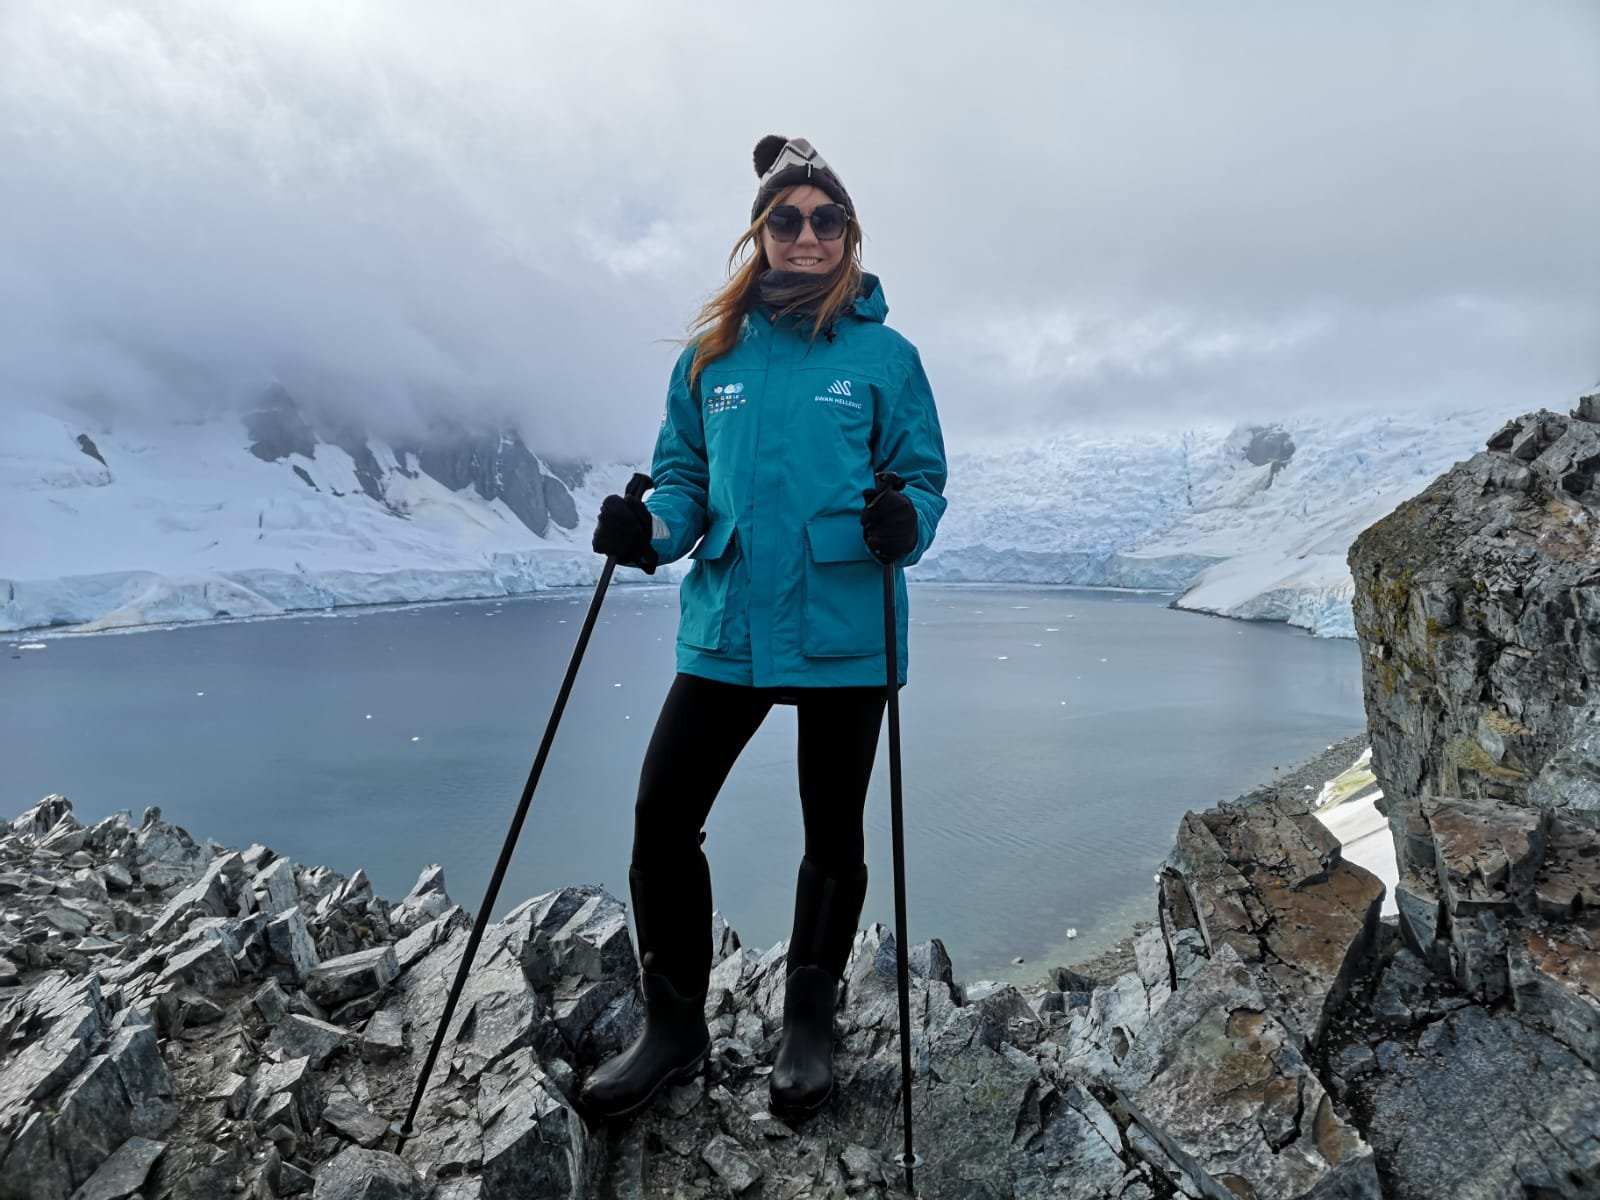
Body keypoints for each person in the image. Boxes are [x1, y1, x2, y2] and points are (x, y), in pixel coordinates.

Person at [580, 135, 948, 1121]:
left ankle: (807, 1027)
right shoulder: (714, 357)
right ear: (760, 233)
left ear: (849, 234)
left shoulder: (885, 357)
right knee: (663, 816)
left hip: (843, 626)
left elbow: (919, 478)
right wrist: (647, 533)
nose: (807, 234)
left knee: (831, 833)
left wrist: (906, 521)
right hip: (731, 621)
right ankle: (673, 1029)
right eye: (787, 218)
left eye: (827, 219)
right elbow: (686, 482)